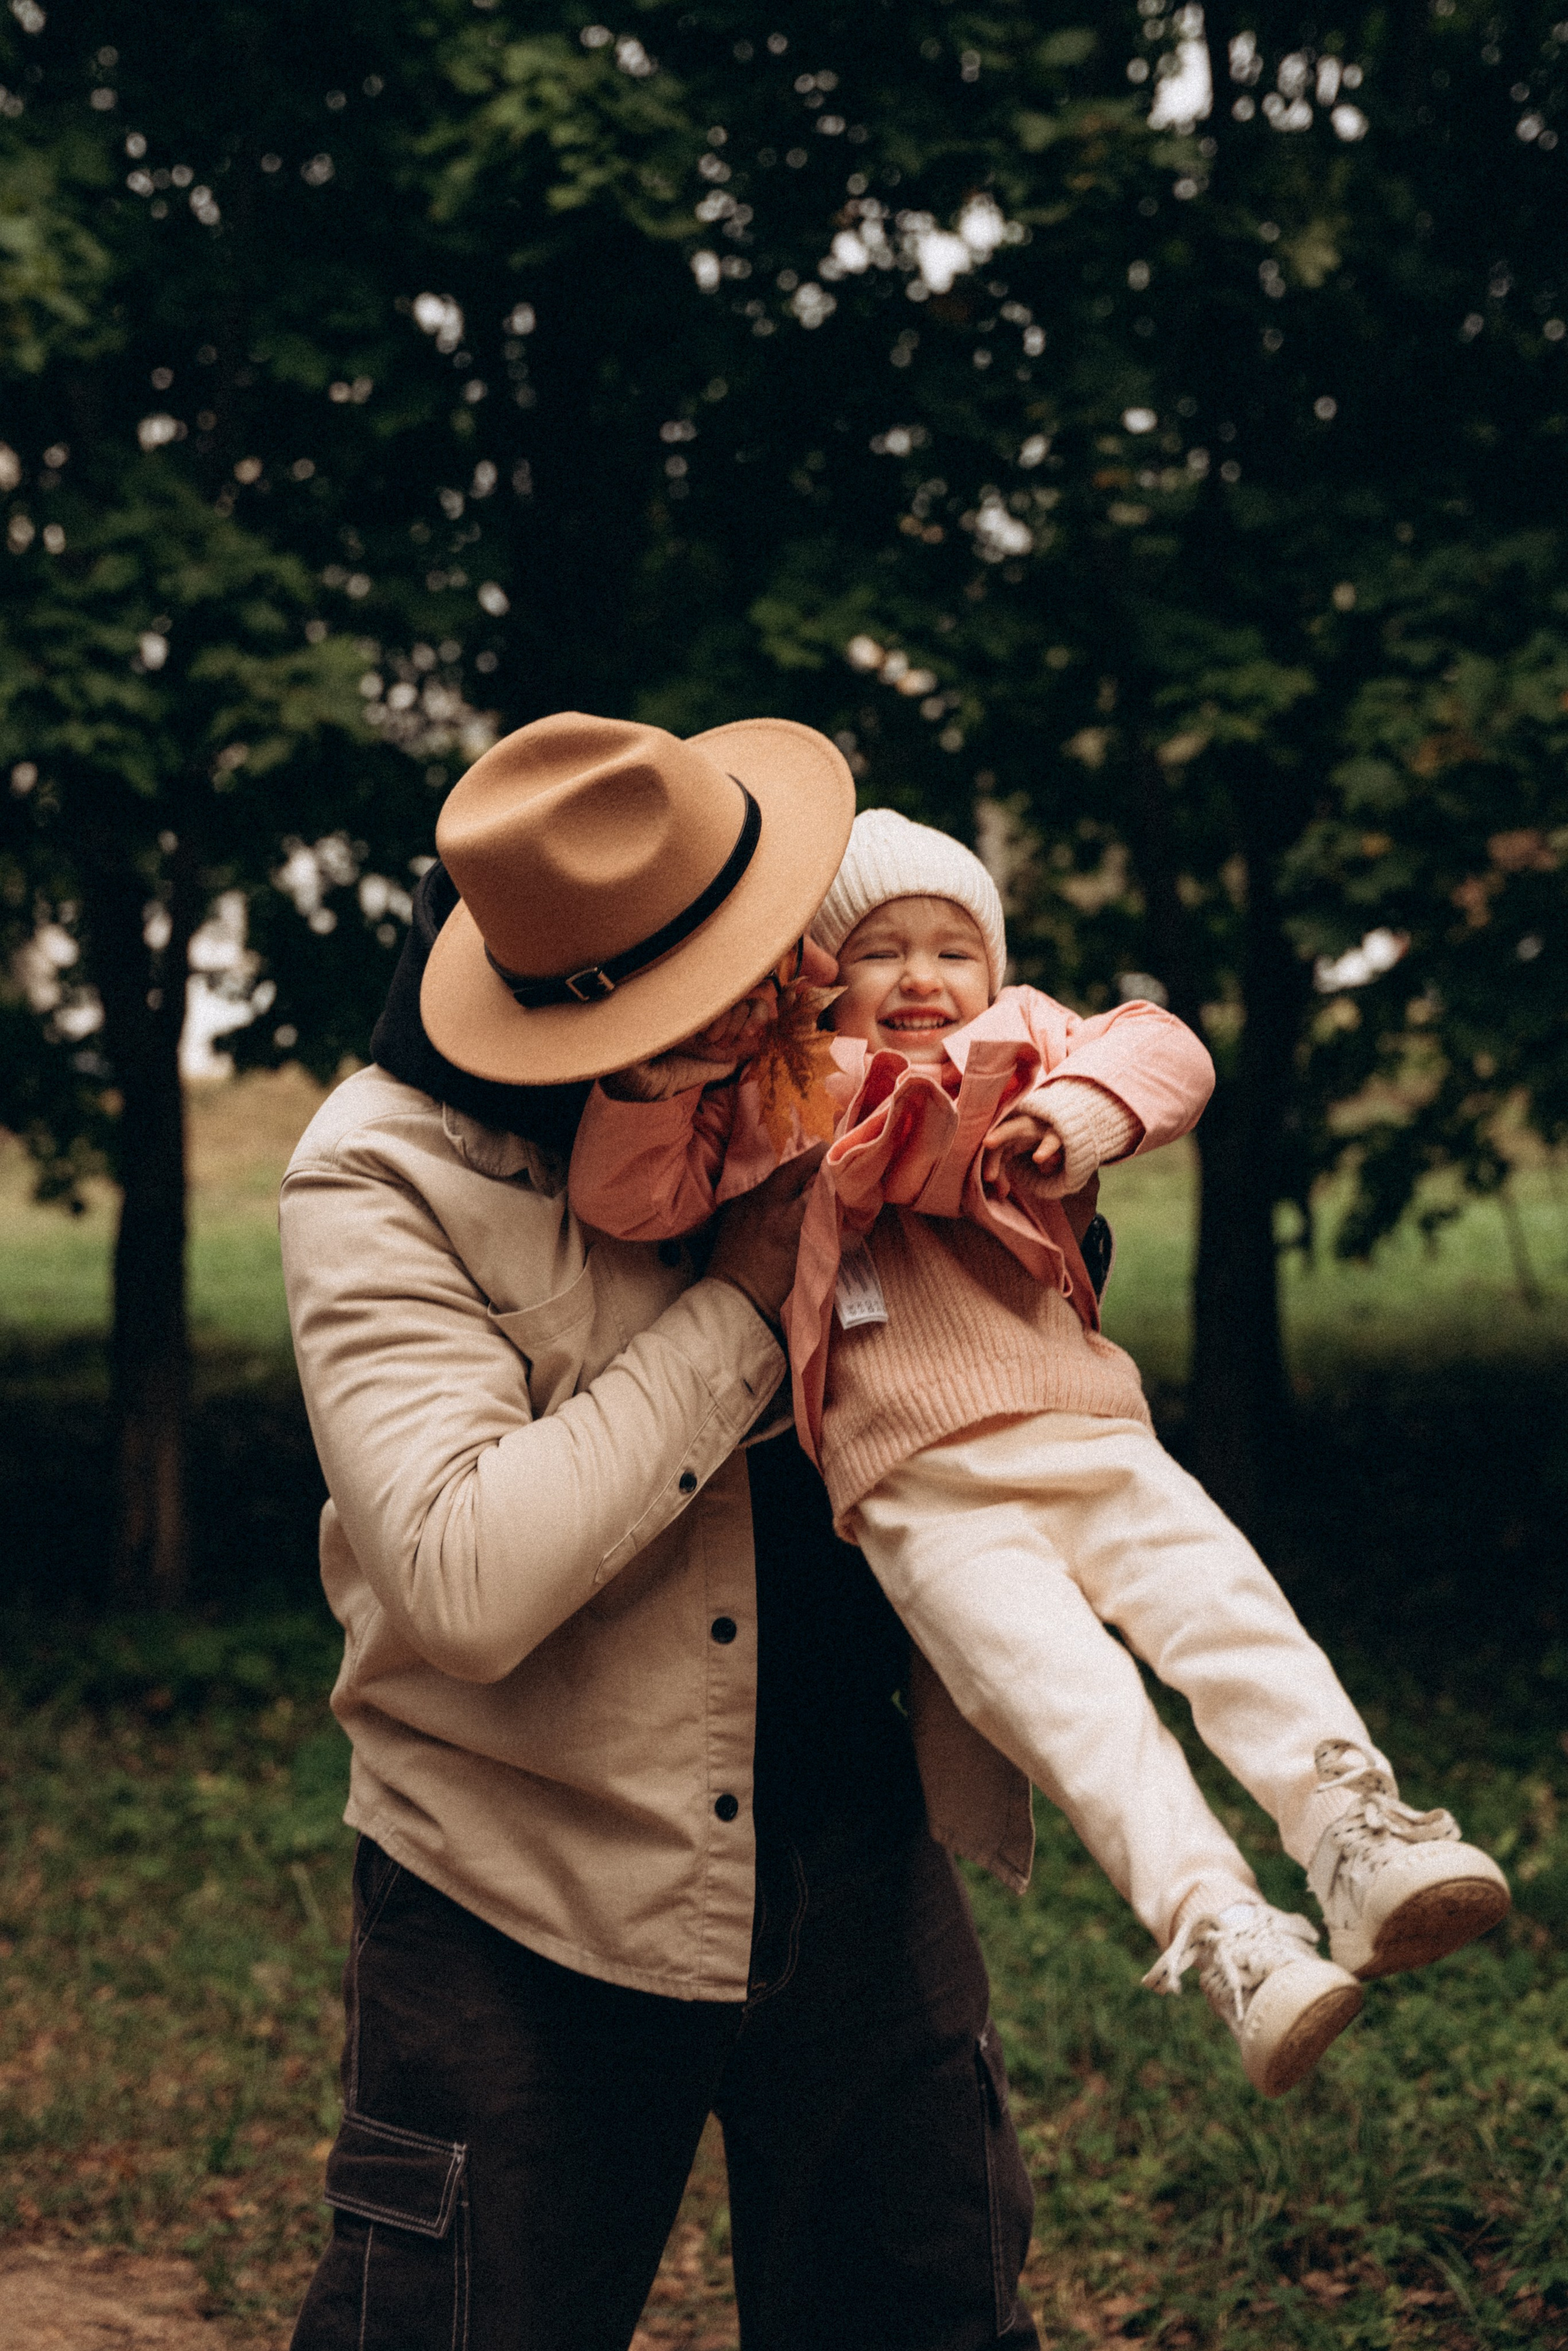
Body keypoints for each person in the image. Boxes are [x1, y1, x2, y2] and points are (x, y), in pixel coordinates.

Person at [281, 714, 1047, 2351]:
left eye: (782, 951)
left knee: (924, 2311)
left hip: (858, 1837)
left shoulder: (817, 1069)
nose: (783, 999)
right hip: (524, 1877)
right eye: (722, 996)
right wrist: (744, 1303)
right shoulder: (383, 1167)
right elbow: (468, 1578)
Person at [569, 808, 1511, 2100]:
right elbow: (631, 1199)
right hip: (913, 1492)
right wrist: (650, 1079)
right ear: (814, 974)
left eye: (950, 947)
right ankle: (1225, 1934)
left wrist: (1075, 1115)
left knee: (1222, 1612)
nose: (918, 977)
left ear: (993, 963)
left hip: (1076, 1423)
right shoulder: (776, 1094)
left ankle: (1351, 1829)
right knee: (1072, 1708)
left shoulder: (1021, 1038)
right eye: (877, 949)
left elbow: (1165, 1049)